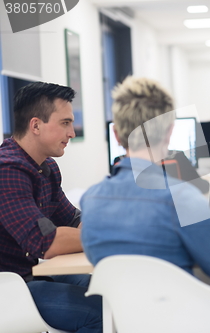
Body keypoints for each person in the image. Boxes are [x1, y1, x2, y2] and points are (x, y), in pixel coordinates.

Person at [80, 77, 210, 291]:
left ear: (115, 134)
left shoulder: (89, 201)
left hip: (122, 322)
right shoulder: (183, 199)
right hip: (185, 321)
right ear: (169, 132)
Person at [0, 82, 102, 332]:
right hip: (8, 286)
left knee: (110, 289)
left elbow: (73, 219)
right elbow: (46, 242)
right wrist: (104, 235)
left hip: (30, 273)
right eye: (65, 123)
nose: (72, 133)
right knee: (99, 313)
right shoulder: (7, 171)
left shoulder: (46, 168)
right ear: (35, 125)